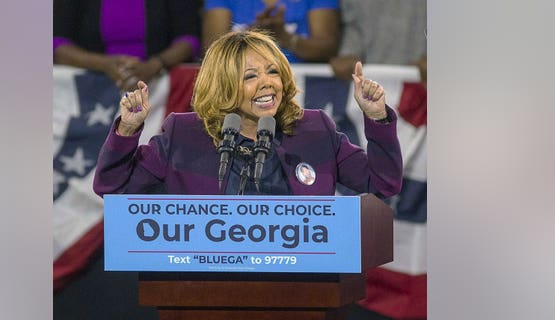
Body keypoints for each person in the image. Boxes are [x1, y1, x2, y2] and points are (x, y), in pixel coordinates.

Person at [93, 30, 402, 198]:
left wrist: (377, 119)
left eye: (272, 72)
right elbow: (113, 189)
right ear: (224, 85)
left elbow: (382, 184)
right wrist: (127, 131)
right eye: (250, 76)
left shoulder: (314, 129)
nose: (267, 83)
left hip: (301, 290)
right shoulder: (183, 135)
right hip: (205, 291)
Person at [53, 0, 201, 91]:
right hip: (89, 92)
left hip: (158, 90)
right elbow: (56, 44)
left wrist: (155, 64)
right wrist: (104, 64)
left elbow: (189, 41)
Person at [201, 0, 340, 63]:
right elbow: (211, 51)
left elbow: (327, 48)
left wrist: (284, 36)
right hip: (238, 90)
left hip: (302, 93)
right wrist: (255, 33)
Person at [330, 0, 427, 85]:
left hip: (426, 89)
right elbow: (353, 27)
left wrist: (438, 57)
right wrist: (348, 54)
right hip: (369, 89)